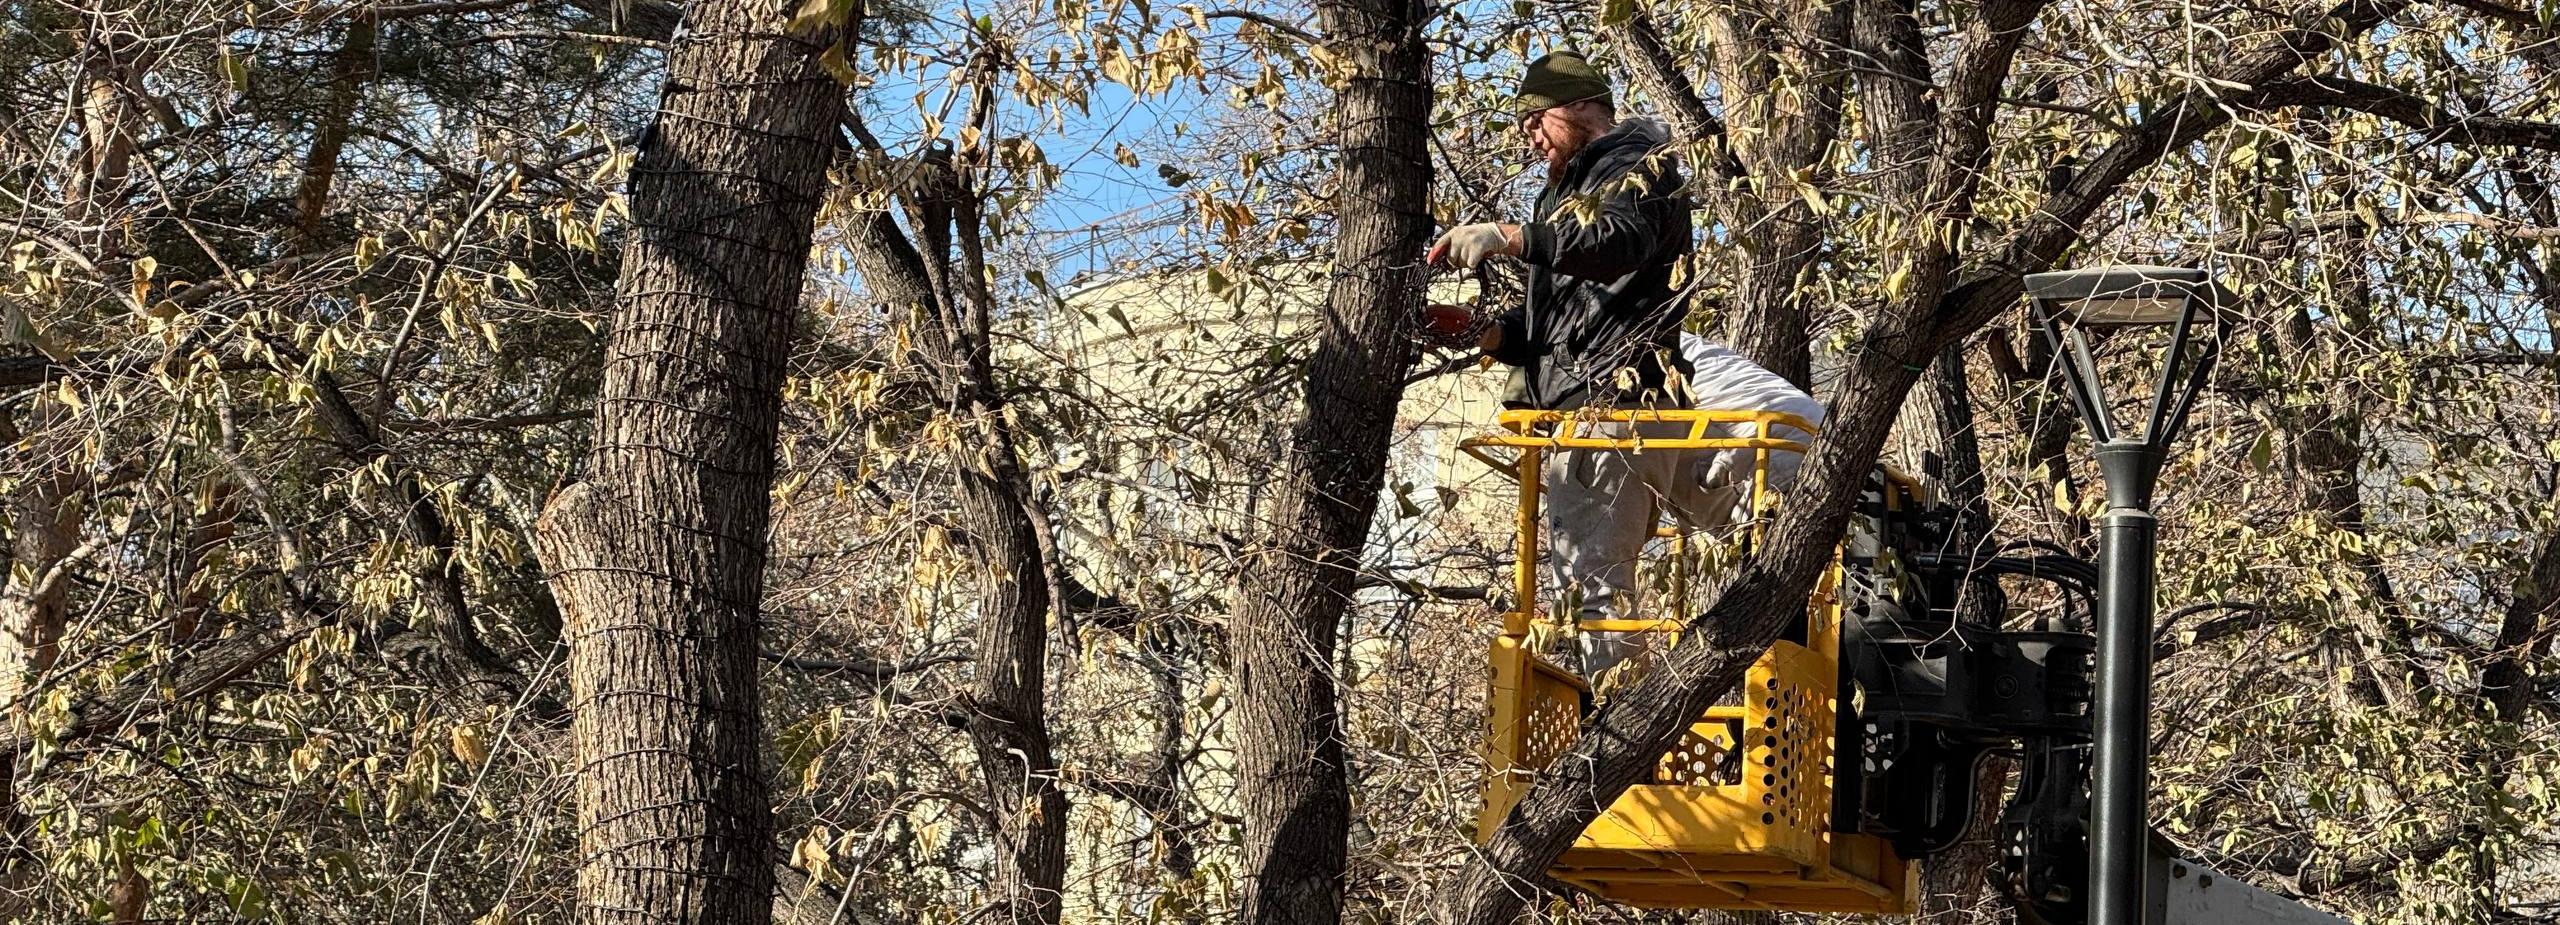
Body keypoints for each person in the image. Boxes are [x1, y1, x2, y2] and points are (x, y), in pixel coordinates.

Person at [1421, 50, 1818, 679]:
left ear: (1580, 107)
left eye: (1536, 121)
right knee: (1605, 587)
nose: (1530, 138)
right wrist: (1483, 332)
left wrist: (1511, 236)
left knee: (1593, 591)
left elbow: (1616, 243)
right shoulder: (1571, 190)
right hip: (1618, 404)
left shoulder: (1635, 164)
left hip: (1611, 407)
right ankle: (1643, 708)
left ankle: (1618, 725)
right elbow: (1549, 330)